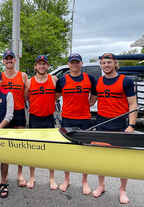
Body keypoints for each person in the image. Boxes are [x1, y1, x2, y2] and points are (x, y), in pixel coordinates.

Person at [92, 53, 137, 204]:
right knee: (100, 158)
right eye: (104, 63)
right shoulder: (98, 82)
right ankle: (101, 185)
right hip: (101, 122)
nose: (106, 65)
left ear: (115, 63)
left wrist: (131, 126)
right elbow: (91, 101)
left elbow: (133, 105)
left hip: (119, 124)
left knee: (121, 160)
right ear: (101, 65)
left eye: (109, 62)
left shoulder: (126, 81)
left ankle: (122, 190)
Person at [55, 53, 98, 194]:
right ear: (68, 64)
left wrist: (84, 105)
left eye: (77, 62)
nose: (74, 64)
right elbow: (55, 97)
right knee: (68, 151)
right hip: (67, 119)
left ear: (81, 63)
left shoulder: (89, 78)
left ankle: (84, 181)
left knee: (85, 151)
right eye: (72, 62)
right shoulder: (62, 80)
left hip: (85, 119)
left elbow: (93, 99)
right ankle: (66, 179)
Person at [24, 55, 58, 189]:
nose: (42, 66)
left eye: (44, 64)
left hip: (49, 118)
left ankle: (52, 178)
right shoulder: (29, 82)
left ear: (48, 66)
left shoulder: (54, 79)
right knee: (33, 149)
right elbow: (26, 96)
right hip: (34, 118)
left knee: (50, 150)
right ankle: (32, 176)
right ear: (35, 66)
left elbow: (57, 95)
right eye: (39, 64)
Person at [1, 50, 28, 187]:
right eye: (7, 59)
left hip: (18, 112)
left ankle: (20, 173)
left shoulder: (22, 76)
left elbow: (27, 95)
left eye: (11, 58)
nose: (9, 61)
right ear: (3, 61)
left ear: (15, 60)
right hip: (4, 114)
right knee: (4, 145)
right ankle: (4, 174)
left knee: (19, 145)